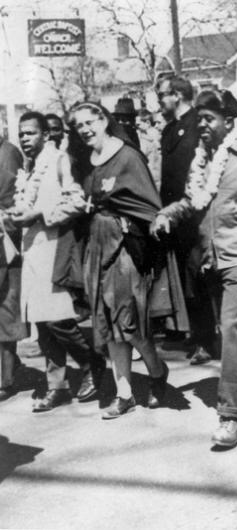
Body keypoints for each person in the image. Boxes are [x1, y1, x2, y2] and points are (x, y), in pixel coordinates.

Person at [151, 90, 237, 448]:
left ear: (229, 121)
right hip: (211, 259)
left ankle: (231, 415)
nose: (201, 125)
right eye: (200, 118)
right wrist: (168, 213)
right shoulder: (202, 159)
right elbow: (194, 200)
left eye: (209, 119)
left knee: (234, 330)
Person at [71, 102, 169, 420]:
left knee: (129, 322)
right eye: (78, 125)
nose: (84, 129)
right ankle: (123, 393)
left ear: (103, 120)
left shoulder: (128, 156)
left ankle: (157, 370)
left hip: (124, 247)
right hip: (96, 246)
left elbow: (148, 205)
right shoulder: (87, 160)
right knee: (106, 320)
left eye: (89, 122)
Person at [12, 111, 103, 412]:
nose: (25, 139)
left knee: (57, 319)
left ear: (45, 134)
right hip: (32, 251)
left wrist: (40, 214)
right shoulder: (29, 167)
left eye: (30, 133)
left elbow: (77, 201)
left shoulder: (59, 160)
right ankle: (57, 386)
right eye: (21, 134)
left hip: (55, 248)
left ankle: (91, 362)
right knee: (42, 322)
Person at [157, 75, 214, 365]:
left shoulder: (196, 124)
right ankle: (195, 332)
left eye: (162, 95)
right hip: (175, 215)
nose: (159, 101)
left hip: (194, 212)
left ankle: (207, 339)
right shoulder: (170, 129)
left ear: (177, 95)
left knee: (199, 278)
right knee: (185, 278)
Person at [0, 135, 26, 401]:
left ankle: (6, 380)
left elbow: (12, 202)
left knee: (6, 309)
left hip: (4, 244)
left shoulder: (6, 154)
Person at [136, 108, 162, 189]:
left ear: (147, 123)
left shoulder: (151, 135)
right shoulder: (152, 133)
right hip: (155, 175)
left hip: (152, 176)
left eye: (138, 125)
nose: (137, 127)